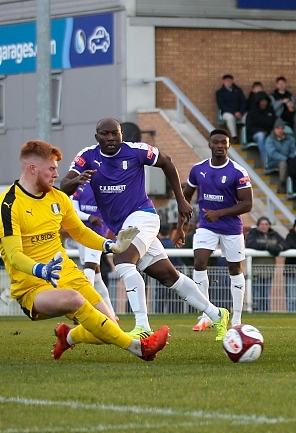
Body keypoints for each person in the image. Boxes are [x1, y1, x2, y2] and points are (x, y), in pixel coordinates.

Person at [61, 118, 231, 340]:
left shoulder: (136, 151)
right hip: (124, 226)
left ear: (122, 135)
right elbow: (64, 185)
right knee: (170, 277)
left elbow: (167, 162)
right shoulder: (87, 156)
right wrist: (78, 180)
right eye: (106, 134)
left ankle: (142, 326)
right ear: (97, 137)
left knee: (122, 261)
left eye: (116, 133)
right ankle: (217, 313)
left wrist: (181, 200)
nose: (111, 138)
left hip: (143, 217)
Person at [2, 140, 168, 361]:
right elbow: (14, 256)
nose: (56, 175)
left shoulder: (58, 197)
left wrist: (110, 245)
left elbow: (80, 232)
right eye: (51, 169)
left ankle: (68, 337)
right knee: (75, 300)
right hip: (33, 287)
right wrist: (41, 270)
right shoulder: (9, 204)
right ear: (32, 168)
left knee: (108, 328)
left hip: (69, 276)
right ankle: (139, 348)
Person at [181, 129, 253, 330]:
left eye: (224, 142)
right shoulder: (198, 169)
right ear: (210, 145)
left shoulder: (238, 172)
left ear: (228, 146)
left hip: (231, 227)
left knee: (234, 269)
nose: (220, 146)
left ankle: (236, 318)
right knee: (199, 261)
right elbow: (185, 196)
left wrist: (220, 213)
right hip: (207, 225)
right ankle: (207, 314)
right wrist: (181, 227)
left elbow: (247, 204)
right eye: (216, 142)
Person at [70, 181, 116, 318]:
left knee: (89, 268)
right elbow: (73, 211)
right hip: (81, 233)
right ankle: (112, 315)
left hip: (97, 232)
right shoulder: (79, 186)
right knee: (97, 278)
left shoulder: (106, 184)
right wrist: (89, 217)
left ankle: (83, 310)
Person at [245, 217, 287, 312]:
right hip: (256, 271)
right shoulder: (253, 233)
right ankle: (256, 312)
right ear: (258, 225)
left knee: (266, 295)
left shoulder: (273, 234)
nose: (264, 226)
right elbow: (250, 244)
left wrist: (278, 248)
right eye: (262, 224)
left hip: (268, 271)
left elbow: (285, 243)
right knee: (257, 295)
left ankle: (265, 311)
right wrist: (268, 247)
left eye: (266, 224)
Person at [265, 120, 296, 194]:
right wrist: (286, 159)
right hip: (273, 161)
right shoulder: (270, 139)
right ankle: (282, 183)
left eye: (282, 128)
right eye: (278, 128)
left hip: (288, 159)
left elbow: (293, 150)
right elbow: (272, 153)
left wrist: (291, 158)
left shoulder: (289, 139)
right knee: (283, 164)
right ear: (274, 129)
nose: (280, 130)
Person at [245, 92, 276, 159]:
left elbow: (275, 122)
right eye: (262, 101)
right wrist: (261, 131)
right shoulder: (252, 112)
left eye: (265, 101)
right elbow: (249, 127)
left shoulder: (270, 111)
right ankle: (265, 160)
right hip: (255, 135)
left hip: (269, 133)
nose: (264, 103)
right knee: (261, 136)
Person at [215, 74, 246, 139]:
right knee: (230, 118)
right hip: (227, 112)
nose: (228, 82)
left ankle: (247, 137)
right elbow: (221, 105)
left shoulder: (238, 91)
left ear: (232, 81)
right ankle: (234, 136)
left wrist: (241, 112)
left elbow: (244, 102)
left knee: (248, 117)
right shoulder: (220, 92)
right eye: (226, 81)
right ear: (223, 81)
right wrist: (234, 112)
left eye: (229, 80)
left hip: (240, 112)